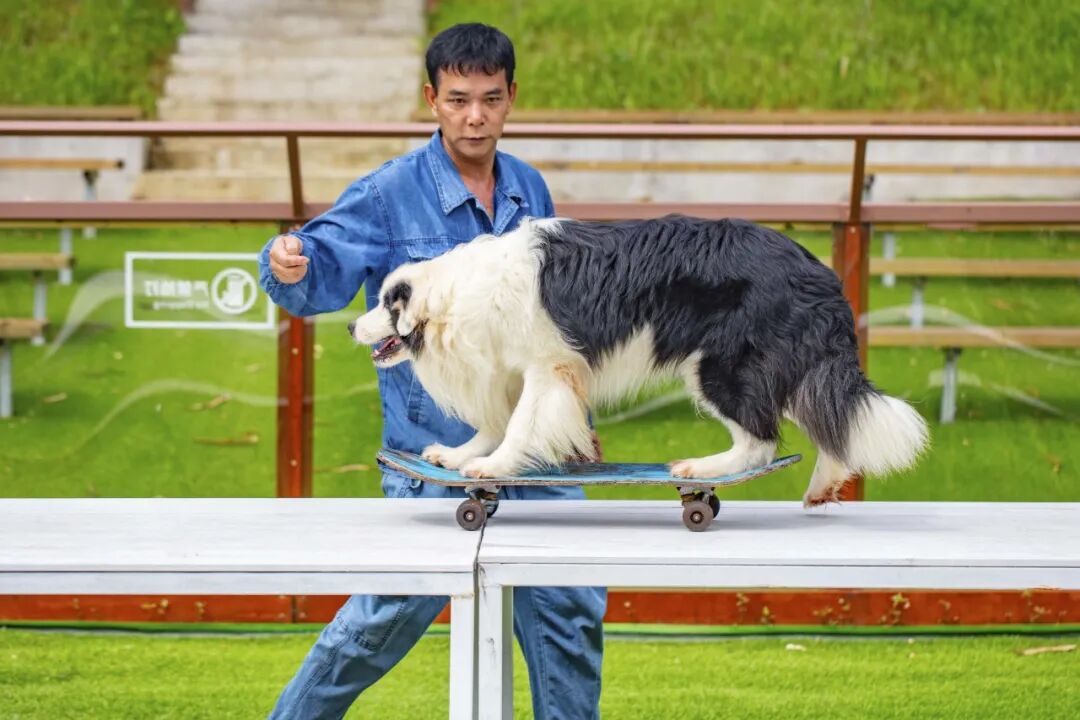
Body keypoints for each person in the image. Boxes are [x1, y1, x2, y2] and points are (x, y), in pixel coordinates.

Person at [259, 23, 606, 720]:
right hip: (433, 461)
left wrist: (575, 423)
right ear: (431, 99)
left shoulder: (530, 189)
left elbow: (549, 324)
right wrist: (287, 263)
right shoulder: (390, 193)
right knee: (379, 622)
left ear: (511, 98)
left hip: (536, 459)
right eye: (457, 100)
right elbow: (317, 270)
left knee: (569, 619)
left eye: (488, 99)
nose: (473, 116)